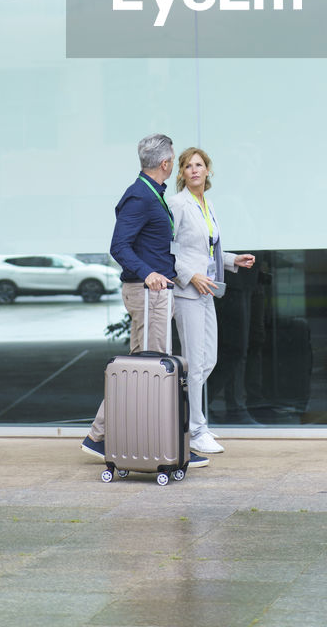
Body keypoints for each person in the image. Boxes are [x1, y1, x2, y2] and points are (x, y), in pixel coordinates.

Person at [81, 133, 209, 468]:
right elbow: (118, 246)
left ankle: (99, 436)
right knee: (150, 369)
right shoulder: (140, 196)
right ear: (167, 164)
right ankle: (160, 445)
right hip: (147, 292)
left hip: (154, 292)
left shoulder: (151, 194)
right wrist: (148, 273)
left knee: (139, 367)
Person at [170, 147, 255, 455]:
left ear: (208, 171)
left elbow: (208, 250)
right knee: (194, 363)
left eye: (199, 165)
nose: (194, 170)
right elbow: (168, 252)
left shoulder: (207, 203)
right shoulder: (177, 204)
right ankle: (195, 429)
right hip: (187, 291)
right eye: (188, 166)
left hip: (207, 290)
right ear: (181, 173)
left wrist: (233, 260)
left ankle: (189, 419)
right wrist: (189, 276)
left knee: (209, 360)